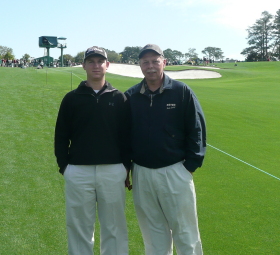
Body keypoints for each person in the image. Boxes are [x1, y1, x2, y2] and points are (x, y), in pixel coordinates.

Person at [125, 44, 206, 255]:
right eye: (145, 62)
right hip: (142, 173)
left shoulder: (181, 91)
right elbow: (123, 136)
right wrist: (127, 169)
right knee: (153, 235)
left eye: (155, 61)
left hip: (175, 170)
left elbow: (196, 129)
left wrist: (190, 165)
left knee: (186, 233)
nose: (150, 66)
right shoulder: (131, 96)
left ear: (164, 62)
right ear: (140, 65)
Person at [54, 46, 130, 255]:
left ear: (107, 64)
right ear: (84, 65)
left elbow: (127, 137)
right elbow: (61, 136)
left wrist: (125, 167)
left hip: (113, 170)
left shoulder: (119, 98)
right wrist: (64, 167)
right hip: (78, 171)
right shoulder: (71, 98)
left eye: (100, 61)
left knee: (114, 227)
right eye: (91, 61)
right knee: (79, 228)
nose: (96, 65)